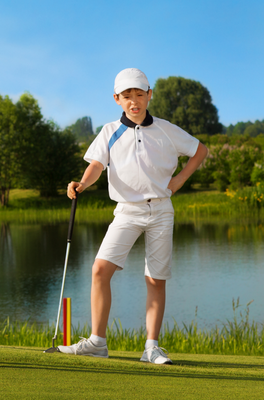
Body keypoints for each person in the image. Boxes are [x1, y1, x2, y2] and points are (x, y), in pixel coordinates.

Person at [58, 68, 208, 364]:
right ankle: (97, 342)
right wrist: (82, 183)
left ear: (149, 95)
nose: (134, 101)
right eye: (127, 96)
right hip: (126, 211)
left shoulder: (166, 129)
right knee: (100, 270)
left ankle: (151, 347)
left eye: (139, 94)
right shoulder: (109, 131)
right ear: (117, 99)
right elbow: (97, 165)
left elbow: (200, 150)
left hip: (161, 210)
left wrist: (178, 181)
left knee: (155, 279)